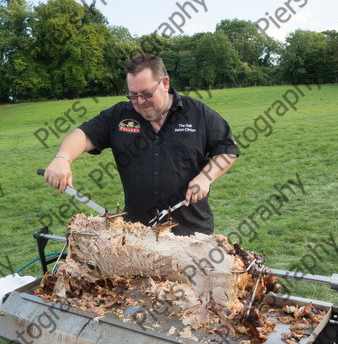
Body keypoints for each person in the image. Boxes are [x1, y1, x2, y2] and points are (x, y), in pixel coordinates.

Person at [44, 54, 239, 235]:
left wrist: (205, 178)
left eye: (146, 93)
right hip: (138, 233)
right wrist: (62, 158)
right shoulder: (119, 116)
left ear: (164, 83)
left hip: (190, 231)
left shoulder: (197, 113)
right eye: (133, 95)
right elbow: (83, 135)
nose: (140, 102)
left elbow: (227, 149)